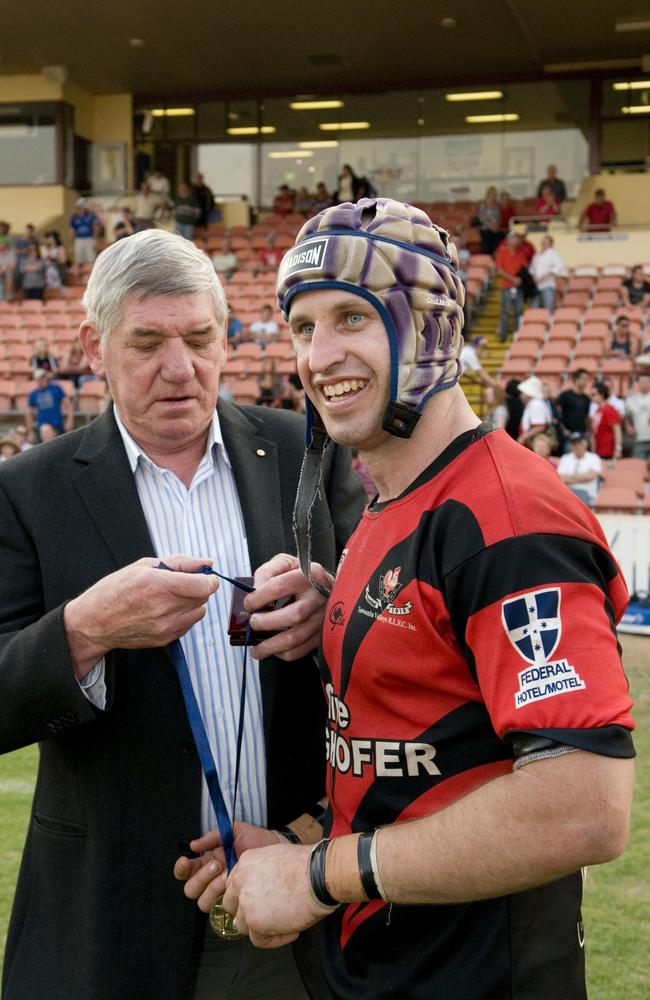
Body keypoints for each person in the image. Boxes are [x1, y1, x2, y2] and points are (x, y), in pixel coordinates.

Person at [176, 198, 634, 1000]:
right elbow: (414, 762)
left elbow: (582, 806)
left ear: (431, 330)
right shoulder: (389, 506)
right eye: (304, 327)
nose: (319, 356)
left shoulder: (506, 516)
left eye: (351, 317)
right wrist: (295, 839)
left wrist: (314, 876)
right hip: (383, 968)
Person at [0, 228, 365, 1000]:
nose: (180, 368)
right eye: (147, 343)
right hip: (109, 922)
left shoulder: (308, 450)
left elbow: (396, 640)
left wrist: (332, 614)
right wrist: (83, 631)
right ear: (93, 344)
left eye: (200, 338)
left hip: (293, 901)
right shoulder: (28, 490)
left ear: (226, 335)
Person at [494, 230, 529, 342]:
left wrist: (519, 279)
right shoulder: (502, 253)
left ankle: (517, 335)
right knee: (506, 311)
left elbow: (524, 269)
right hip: (507, 286)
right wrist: (514, 279)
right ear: (509, 240)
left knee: (518, 310)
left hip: (517, 286)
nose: (517, 240)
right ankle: (503, 336)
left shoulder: (521, 253)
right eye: (515, 238)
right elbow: (499, 270)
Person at [26, 368, 73, 440]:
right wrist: (30, 432)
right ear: (36, 380)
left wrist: (69, 420)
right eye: (39, 378)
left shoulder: (56, 388)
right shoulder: (34, 394)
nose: (42, 380)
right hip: (42, 427)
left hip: (57, 424)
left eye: (43, 377)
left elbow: (68, 404)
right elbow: (29, 413)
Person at [557, 432, 602, 506]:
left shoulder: (594, 458)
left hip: (587, 493)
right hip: (567, 493)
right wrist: (582, 477)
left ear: (585, 444)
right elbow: (561, 478)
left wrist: (570, 478)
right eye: (574, 444)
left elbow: (591, 476)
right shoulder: (565, 458)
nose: (577, 446)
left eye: (579, 443)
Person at [528, 234, 567, 312]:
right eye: (543, 242)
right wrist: (534, 277)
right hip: (536, 286)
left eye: (546, 242)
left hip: (548, 285)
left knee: (548, 307)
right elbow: (532, 269)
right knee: (534, 308)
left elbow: (560, 266)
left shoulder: (553, 254)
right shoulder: (537, 255)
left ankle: (548, 323)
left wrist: (544, 276)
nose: (544, 244)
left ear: (550, 244)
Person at [590, 380, 623, 460]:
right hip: (599, 451)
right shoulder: (598, 410)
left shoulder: (609, 410)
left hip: (608, 451)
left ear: (602, 395)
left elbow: (617, 430)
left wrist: (618, 449)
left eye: (594, 394)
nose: (591, 397)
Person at [556, 368, 591, 442]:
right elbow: (557, 413)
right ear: (576, 379)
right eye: (584, 379)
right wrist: (563, 429)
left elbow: (587, 417)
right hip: (568, 435)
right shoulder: (565, 395)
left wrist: (588, 431)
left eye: (587, 379)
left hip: (582, 435)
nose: (586, 382)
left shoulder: (587, 399)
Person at [624, 372, 650, 459]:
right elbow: (626, 416)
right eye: (642, 382)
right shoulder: (632, 399)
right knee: (637, 466)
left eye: (647, 382)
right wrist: (628, 426)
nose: (645, 384)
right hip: (639, 439)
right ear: (638, 383)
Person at [475, 185, 502, 256]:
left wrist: (495, 226)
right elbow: (481, 218)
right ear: (488, 194)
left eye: (495, 194)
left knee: (500, 235)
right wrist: (491, 226)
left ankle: (496, 255)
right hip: (485, 227)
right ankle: (487, 255)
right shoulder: (482, 205)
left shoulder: (496, 206)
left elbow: (498, 218)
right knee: (487, 235)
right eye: (492, 194)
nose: (493, 196)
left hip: (495, 228)